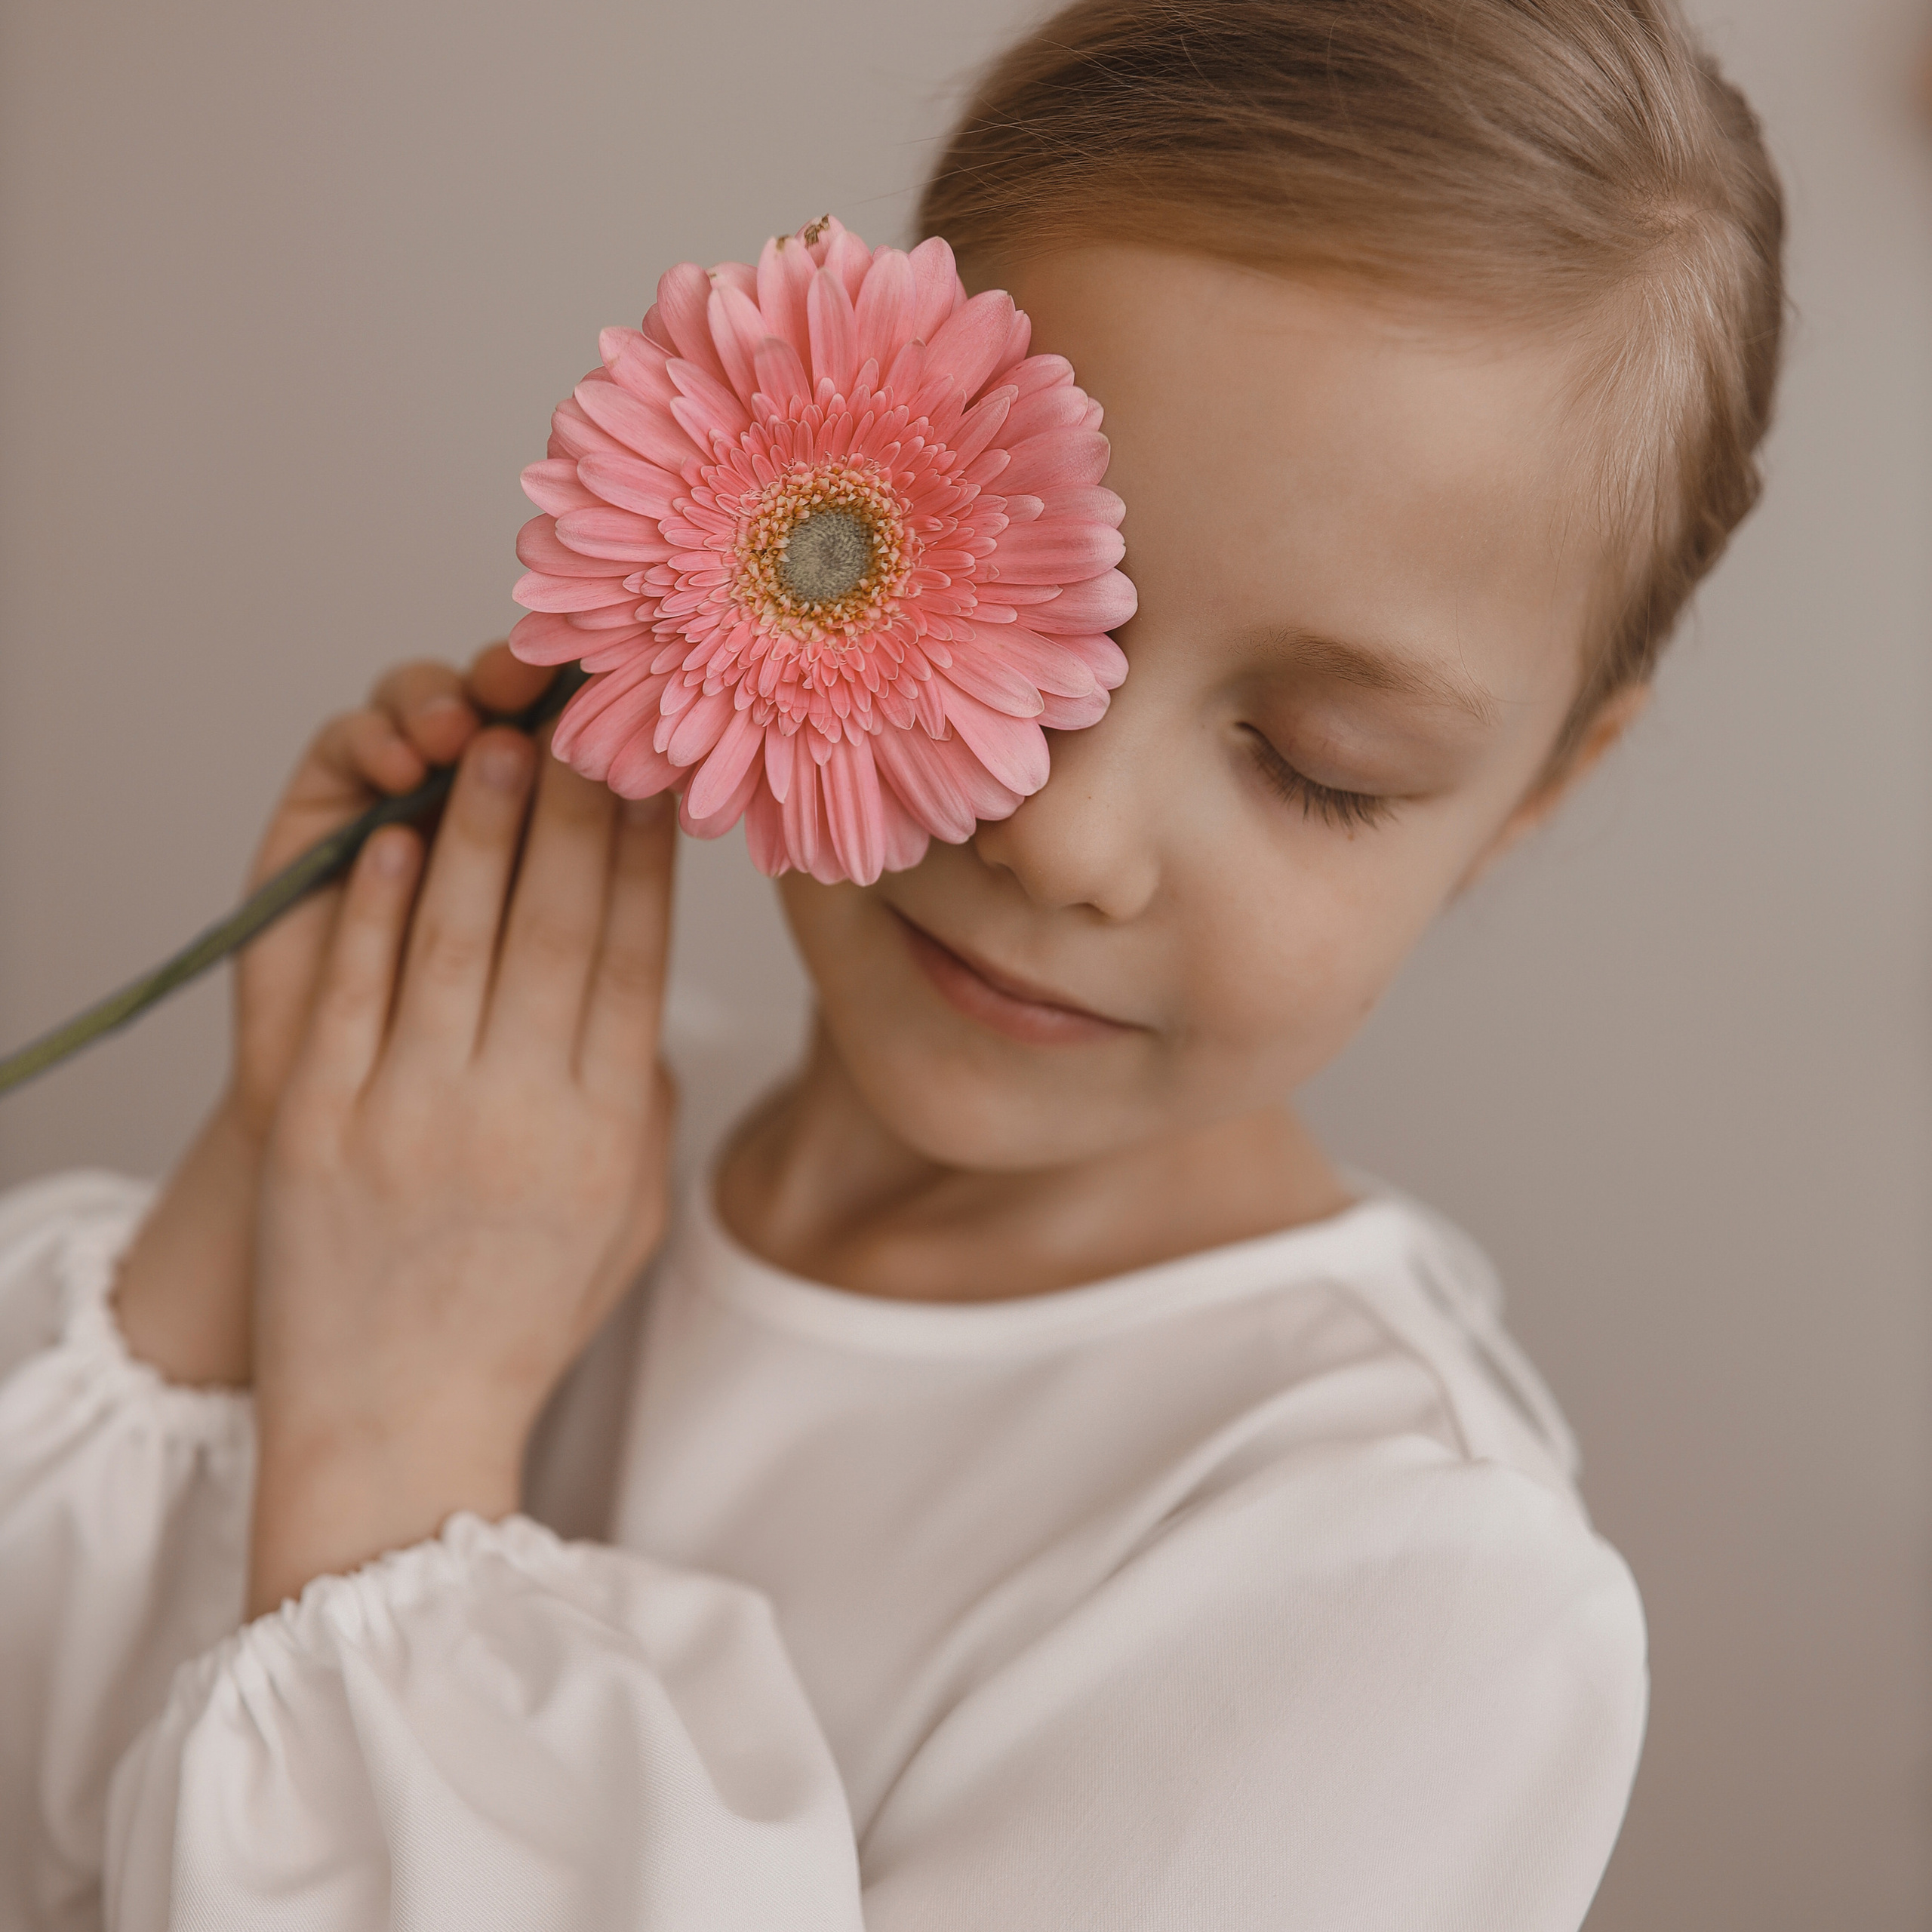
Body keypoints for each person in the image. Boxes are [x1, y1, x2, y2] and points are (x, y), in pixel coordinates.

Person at [0, 2, 1785, 1925]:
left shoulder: (1404, 1596)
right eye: (1004, 616)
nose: (1059, 835)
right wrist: (281, 1174)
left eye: (1311, 765)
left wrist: (392, 1455)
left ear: (1533, 789)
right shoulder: (511, 1156)